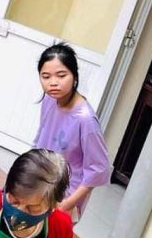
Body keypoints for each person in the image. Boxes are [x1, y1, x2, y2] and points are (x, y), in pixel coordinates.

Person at [34, 42, 112, 222]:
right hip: (37, 185)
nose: (53, 82)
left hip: (64, 197)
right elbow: (41, 138)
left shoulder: (86, 120)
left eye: (61, 75)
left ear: (75, 77)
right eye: (46, 76)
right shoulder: (49, 100)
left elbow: (98, 169)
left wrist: (67, 204)